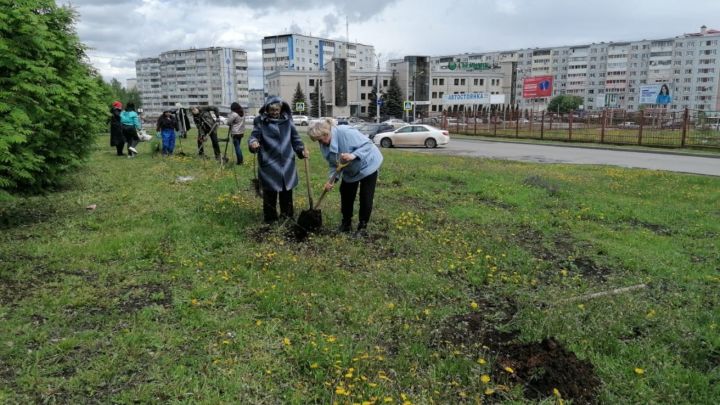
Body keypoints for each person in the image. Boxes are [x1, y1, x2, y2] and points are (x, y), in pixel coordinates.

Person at [307, 117, 383, 235]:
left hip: (368, 164)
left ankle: (362, 228)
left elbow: (368, 144)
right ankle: (346, 224)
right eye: (318, 141)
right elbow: (334, 164)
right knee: (346, 193)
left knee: (365, 196)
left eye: (321, 140)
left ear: (326, 133)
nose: (321, 143)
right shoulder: (324, 145)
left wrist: (353, 155)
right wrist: (332, 180)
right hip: (350, 170)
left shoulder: (345, 132)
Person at [248, 96, 308, 224]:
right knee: (270, 193)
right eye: (272, 110)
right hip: (269, 162)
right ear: (266, 109)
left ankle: (287, 217)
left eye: (277, 110)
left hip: (287, 163)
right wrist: (253, 143)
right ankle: (270, 219)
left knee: (287, 192)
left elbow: (295, 139)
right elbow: (253, 137)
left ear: (281, 109)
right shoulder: (261, 122)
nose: (275, 113)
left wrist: (301, 150)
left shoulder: (288, 121)